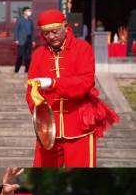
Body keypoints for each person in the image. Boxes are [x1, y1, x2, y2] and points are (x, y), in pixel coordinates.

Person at [27, 9, 119, 167]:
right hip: (49, 130)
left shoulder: (82, 48)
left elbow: (86, 82)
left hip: (79, 125)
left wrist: (54, 83)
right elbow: (31, 91)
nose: (51, 37)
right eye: (46, 33)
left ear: (65, 26)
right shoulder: (38, 55)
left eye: (55, 31)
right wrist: (39, 115)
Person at [14, 7, 35, 73]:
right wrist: (16, 39)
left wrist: (33, 40)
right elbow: (16, 30)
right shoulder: (20, 20)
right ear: (24, 12)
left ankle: (27, 69)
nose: (29, 12)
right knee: (20, 55)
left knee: (28, 56)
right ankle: (16, 69)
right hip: (21, 40)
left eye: (30, 11)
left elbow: (32, 31)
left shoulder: (30, 21)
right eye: (28, 11)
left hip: (29, 39)